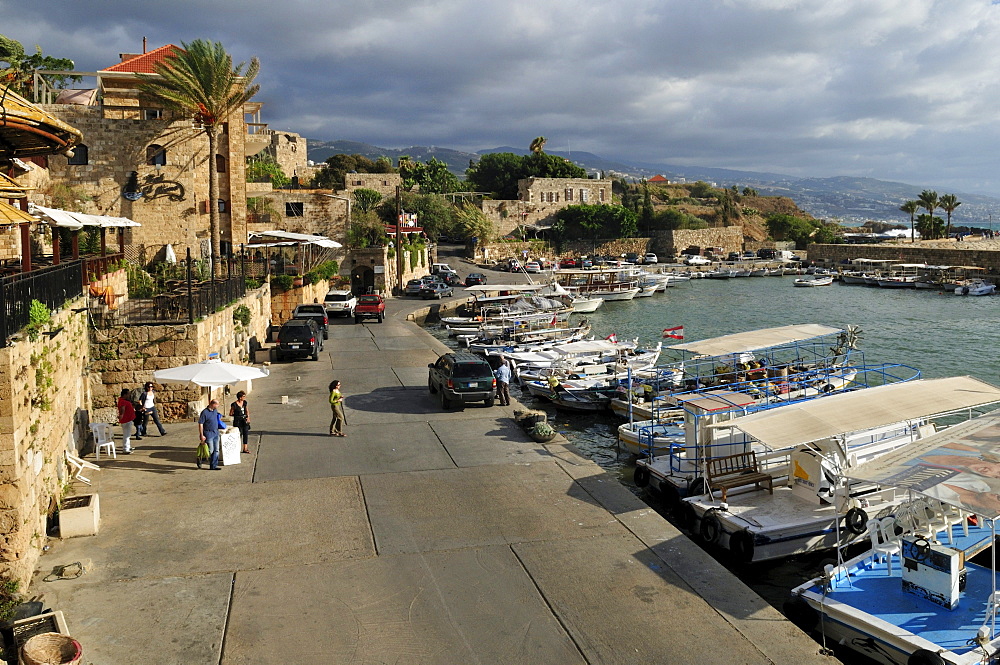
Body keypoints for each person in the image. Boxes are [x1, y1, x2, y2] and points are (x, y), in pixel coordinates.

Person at [198, 399, 224, 470]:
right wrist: (201, 435)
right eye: (217, 404)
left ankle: (213, 466)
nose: (218, 406)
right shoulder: (204, 412)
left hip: (216, 432)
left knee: (216, 450)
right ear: (213, 404)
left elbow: (216, 416)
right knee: (210, 450)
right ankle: (201, 458)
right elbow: (201, 424)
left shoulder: (215, 411)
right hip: (208, 433)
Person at [117, 388, 137, 454]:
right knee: (126, 435)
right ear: (124, 394)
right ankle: (125, 448)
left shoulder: (123, 400)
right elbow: (122, 408)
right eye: (128, 394)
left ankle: (128, 446)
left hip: (128, 419)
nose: (129, 395)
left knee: (128, 434)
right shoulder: (123, 401)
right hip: (126, 420)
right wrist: (122, 415)